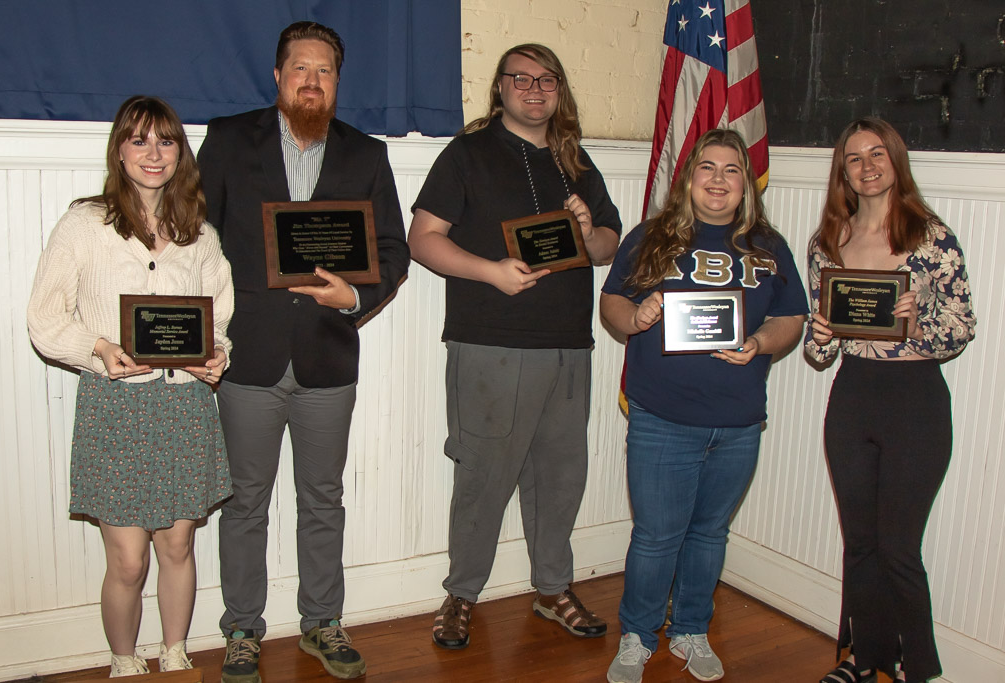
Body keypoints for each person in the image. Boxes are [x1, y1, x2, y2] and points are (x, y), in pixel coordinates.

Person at [196, 20, 409, 683]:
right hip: (247, 359)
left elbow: (395, 253)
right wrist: (204, 330)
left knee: (323, 499)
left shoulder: (366, 154)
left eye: (325, 71)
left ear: (337, 83)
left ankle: (322, 620)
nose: (312, 81)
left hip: (327, 362)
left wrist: (353, 295)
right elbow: (195, 240)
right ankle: (241, 631)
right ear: (278, 76)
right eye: (301, 69)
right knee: (245, 503)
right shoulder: (230, 140)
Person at [408, 43, 622, 650]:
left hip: (568, 347)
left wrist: (588, 233)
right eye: (520, 78)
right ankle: (461, 594)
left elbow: (609, 243)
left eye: (546, 79)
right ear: (499, 88)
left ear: (560, 90)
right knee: (483, 477)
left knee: (560, 476)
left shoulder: (576, 162)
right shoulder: (466, 155)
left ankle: (553, 588)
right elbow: (423, 239)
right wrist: (491, 272)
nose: (534, 89)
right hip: (491, 346)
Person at [26, 95, 233, 677]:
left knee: (178, 548)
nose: (153, 153)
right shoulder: (84, 223)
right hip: (116, 408)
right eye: (139, 140)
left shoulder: (199, 233)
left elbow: (217, 318)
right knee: (127, 561)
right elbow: (44, 318)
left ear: (180, 153)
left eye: (166, 141)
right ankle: (122, 659)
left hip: (185, 408)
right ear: (119, 149)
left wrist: (217, 356)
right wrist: (98, 350)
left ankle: (173, 651)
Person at [600, 129, 808, 683]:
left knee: (709, 534)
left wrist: (760, 343)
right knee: (655, 535)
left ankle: (691, 629)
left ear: (747, 183)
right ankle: (637, 637)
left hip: (738, 420)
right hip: (662, 416)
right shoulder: (651, 236)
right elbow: (612, 302)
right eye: (707, 168)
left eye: (731, 170)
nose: (718, 180)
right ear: (688, 178)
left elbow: (790, 318)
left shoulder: (769, 245)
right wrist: (635, 317)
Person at [805, 118, 976, 683]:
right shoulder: (828, 242)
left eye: (878, 154)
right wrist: (823, 336)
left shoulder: (931, 238)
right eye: (854, 158)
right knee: (859, 542)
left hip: (914, 400)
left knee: (899, 546)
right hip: (853, 395)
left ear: (895, 160)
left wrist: (918, 321)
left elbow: (961, 328)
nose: (868, 166)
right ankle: (863, 656)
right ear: (844, 173)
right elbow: (817, 347)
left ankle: (916, 667)